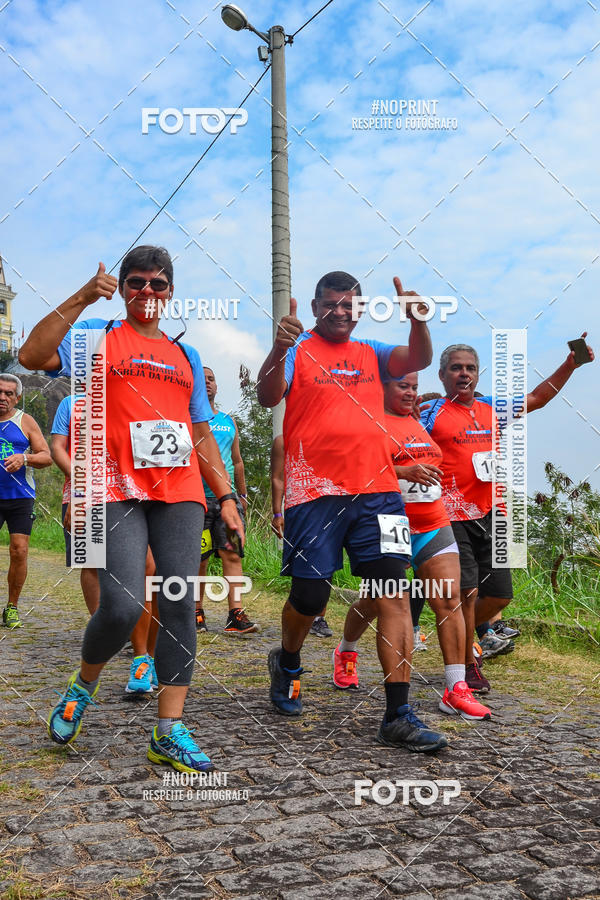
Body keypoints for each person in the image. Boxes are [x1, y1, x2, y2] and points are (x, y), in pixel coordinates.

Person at [19, 245, 244, 773]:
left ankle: (168, 730)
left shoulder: (184, 356)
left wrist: (227, 497)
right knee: (120, 607)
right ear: (121, 288)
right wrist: (80, 296)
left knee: (177, 601)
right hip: (114, 488)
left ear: (170, 292)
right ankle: (83, 684)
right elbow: (30, 357)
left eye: (158, 284)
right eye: (137, 282)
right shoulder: (95, 337)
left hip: (182, 490)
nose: (148, 291)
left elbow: (201, 434)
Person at [257, 270, 447, 753]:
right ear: (317, 306)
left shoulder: (374, 354)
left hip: (379, 495)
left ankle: (398, 713)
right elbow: (266, 395)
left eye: (350, 305)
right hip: (313, 493)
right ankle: (289, 660)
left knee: (394, 593)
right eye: (331, 304)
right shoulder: (298, 350)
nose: (340, 312)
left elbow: (419, 357)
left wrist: (418, 320)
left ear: (360, 309)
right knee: (310, 595)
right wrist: (280, 348)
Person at [421, 340, 594, 688]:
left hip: (493, 513)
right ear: (442, 375)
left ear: (477, 373)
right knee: (466, 594)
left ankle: (462, 634)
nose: (464, 373)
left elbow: (537, 398)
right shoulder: (431, 412)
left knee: (500, 595)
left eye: (470, 367)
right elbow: (400, 437)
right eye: (456, 367)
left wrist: (571, 365)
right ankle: (467, 665)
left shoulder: (491, 407)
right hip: (450, 514)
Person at [335, 373, 491, 719]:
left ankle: (455, 688)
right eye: (402, 386)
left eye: (414, 387)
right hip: (390, 522)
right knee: (379, 602)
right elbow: (352, 469)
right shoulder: (369, 420)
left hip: (433, 522)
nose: (410, 392)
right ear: (383, 387)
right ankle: (346, 650)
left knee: (449, 598)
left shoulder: (420, 419)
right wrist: (404, 472)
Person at [51, 394, 160, 694]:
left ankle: (141, 658)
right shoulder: (71, 403)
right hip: (85, 495)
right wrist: (80, 486)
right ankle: (105, 633)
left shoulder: (133, 394)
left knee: (148, 569)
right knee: (92, 564)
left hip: (134, 495)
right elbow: (58, 448)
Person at [196, 367, 258, 634]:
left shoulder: (228, 421)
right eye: (202, 379)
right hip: (196, 499)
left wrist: (241, 495)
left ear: (217, 386)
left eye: (211, 378)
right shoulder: (188, 419)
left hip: (227, 501)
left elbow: (237, 461)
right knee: (199, 558)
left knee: (231, 554)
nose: (207, 383)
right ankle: (195, 612)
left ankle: (236, 614)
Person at [0, 374, 52, 628]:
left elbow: (46, 456)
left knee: (19, 551)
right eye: (0, 392)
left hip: (20, 497)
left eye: (9, 394)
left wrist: (25, 458)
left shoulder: (25, 421)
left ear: (17, 398)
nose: (3, 397)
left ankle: (12, 607)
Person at [270, 434, 332, 638]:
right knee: (303, 570)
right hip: (299, 511)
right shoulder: (283, 441)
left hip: (329, 508)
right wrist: (277, 513)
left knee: (327, 565)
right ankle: (297, 616)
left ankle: (318, 618)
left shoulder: (328, 438)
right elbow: (277, 478)